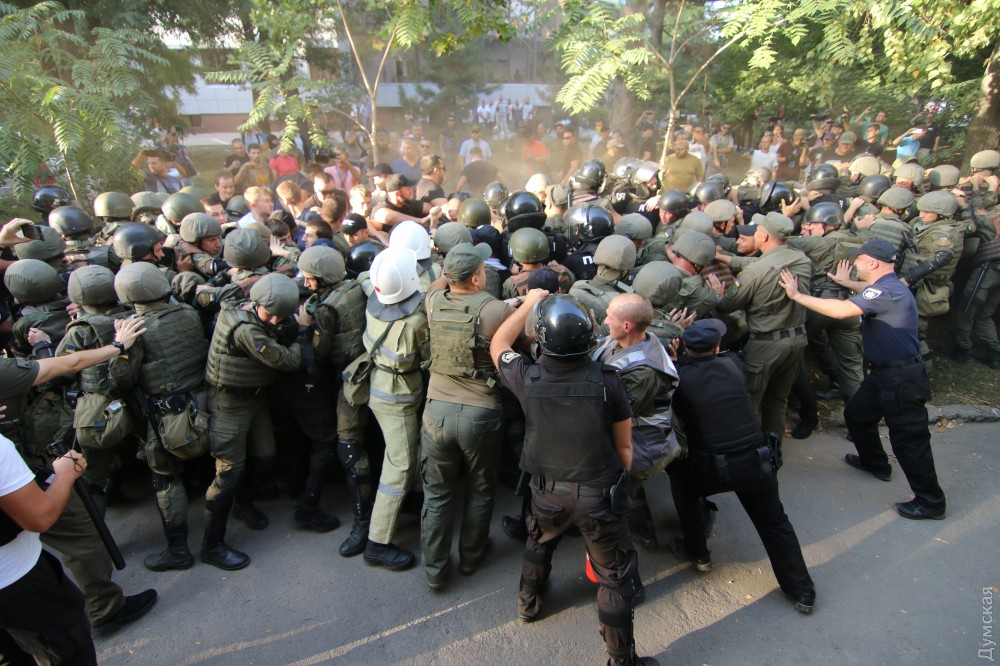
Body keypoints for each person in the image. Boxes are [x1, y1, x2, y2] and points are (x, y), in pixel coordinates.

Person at [490, 292, 657, 666]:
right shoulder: (608, 381)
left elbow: (498, 342)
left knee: (539, 542)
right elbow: (625, 448)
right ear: (590, 336)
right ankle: (620, 659)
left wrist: (527, 302)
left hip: (546, 492)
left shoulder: (525, 375)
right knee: (613, 578)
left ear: (541, 338)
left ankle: (528, 604)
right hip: (598, 494)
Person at [778, 239, 946, 520]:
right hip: (885, 373)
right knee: (857, 414)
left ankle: (931, 501)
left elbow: (842, 310)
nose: (854, 263)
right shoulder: (890, 286)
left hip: (901, 378)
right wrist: (847, 283)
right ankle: (875, 463)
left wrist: (796, 296)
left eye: (859, 259)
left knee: (909, 440)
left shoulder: (888, 291)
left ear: (873, 263)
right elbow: (869, 293)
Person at [667, 319, 817, 614]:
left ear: (685, 348)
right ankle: (803, 590)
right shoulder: (734, 365)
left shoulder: (678, 375)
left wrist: (674, 361)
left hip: (708, 467)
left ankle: (699, 553)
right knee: (775, 523)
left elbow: (677, 393)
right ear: (718, 348)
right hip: (755, 462)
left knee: (680, 483)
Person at [420, 243, 512, 590]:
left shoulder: (432, 303)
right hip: (480, 414)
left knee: (438, 493)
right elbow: (518, 331)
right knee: (480, 486)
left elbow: (435, 286)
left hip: (436, 414)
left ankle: (434, 569)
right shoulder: (494, 309)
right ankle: (472, 556)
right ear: (477, 279)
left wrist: (447, 274)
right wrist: (526, 304)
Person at [203, 273, 304, 569]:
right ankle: (212, 545)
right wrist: (303, 334)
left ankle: (243, 504)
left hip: (254, 398)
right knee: (228, 474)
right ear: (255, 303)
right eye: (270, 315)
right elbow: (288, 361)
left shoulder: (244, 304)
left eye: (280, 317)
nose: (274, 321)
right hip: (228, 403)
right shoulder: (246, 329)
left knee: (266, 459)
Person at [361, 247, 430, 571]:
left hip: (381, 386)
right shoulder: (415, 321)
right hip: (398, 394)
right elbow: (428, 354)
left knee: (410, 446)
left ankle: (412, 500)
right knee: (399, 463)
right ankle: (378, 540)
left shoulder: (373, 301)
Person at [594, 294, 679, 550]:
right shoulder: (626, 339)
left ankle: (642, 531)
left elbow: (615, 415)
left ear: (627, 326)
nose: (605, 320)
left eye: (610, 316)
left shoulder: (642, 372)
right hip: (635, 434)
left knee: (624, 482)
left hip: (643, 440)